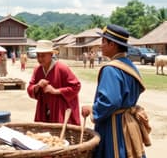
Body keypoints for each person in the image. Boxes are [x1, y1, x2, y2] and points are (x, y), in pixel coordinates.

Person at [82, 24, 150, 158]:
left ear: (112, 44)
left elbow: (110, 102)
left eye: (103, 41)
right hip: (129, 125)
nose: (101, 45)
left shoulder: (111, 69)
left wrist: (92, 109)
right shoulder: (130, 66)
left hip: (114, 127)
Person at [27, 40, 81, 125]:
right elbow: (30, 88)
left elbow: (76, 86)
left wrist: (55, 91)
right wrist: (37, 86)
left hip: (60, 109)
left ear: (51, 54)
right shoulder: (37, 70)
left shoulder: (62, 68)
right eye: (38, 55)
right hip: (43, 110)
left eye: (43, 55)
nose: (40, 59)